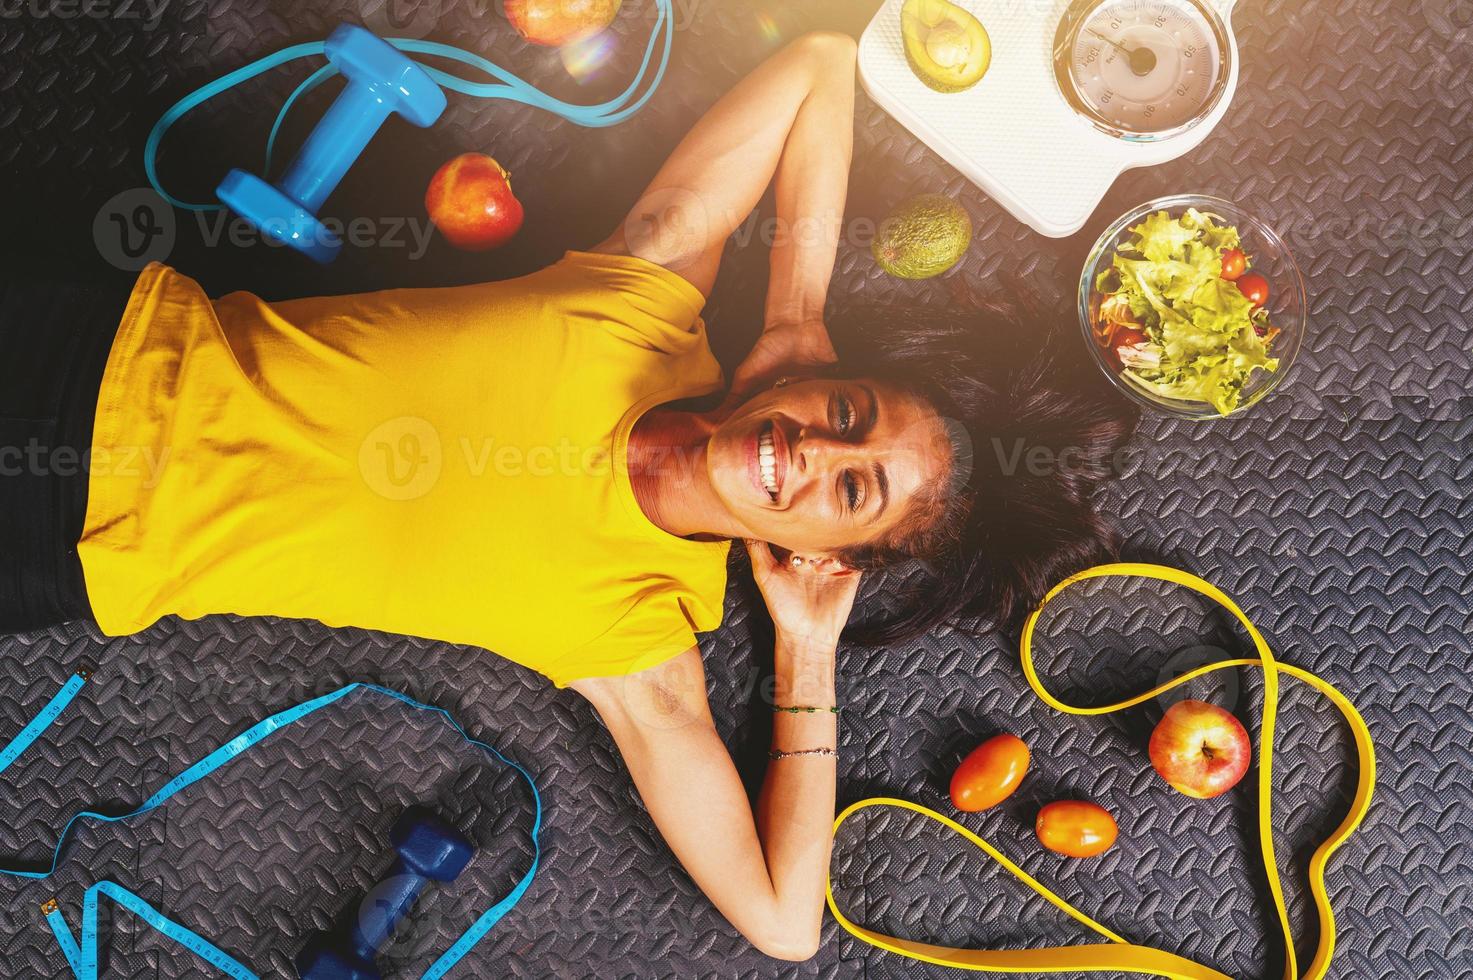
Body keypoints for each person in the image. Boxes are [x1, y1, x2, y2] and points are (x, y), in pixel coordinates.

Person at [0, 33, 1136, 959]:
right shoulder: (646, 297)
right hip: (91, 344)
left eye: (852, 490)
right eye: (846, 413)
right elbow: (821, 64)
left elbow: (787, 919)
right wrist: (794, 306)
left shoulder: (639, 637)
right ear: (819, 380)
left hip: (70, 544)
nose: (810, 446)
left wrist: (806, 648)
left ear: (828, 549)